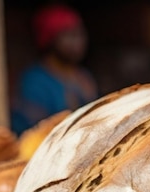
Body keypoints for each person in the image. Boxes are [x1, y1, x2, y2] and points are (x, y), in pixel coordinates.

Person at [10, 4, 98, 136]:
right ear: (50, 39)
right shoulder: (35, 81)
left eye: (80, 34)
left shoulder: (84, 76)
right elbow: (31, 130)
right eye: (69, 35)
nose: (78, 42)